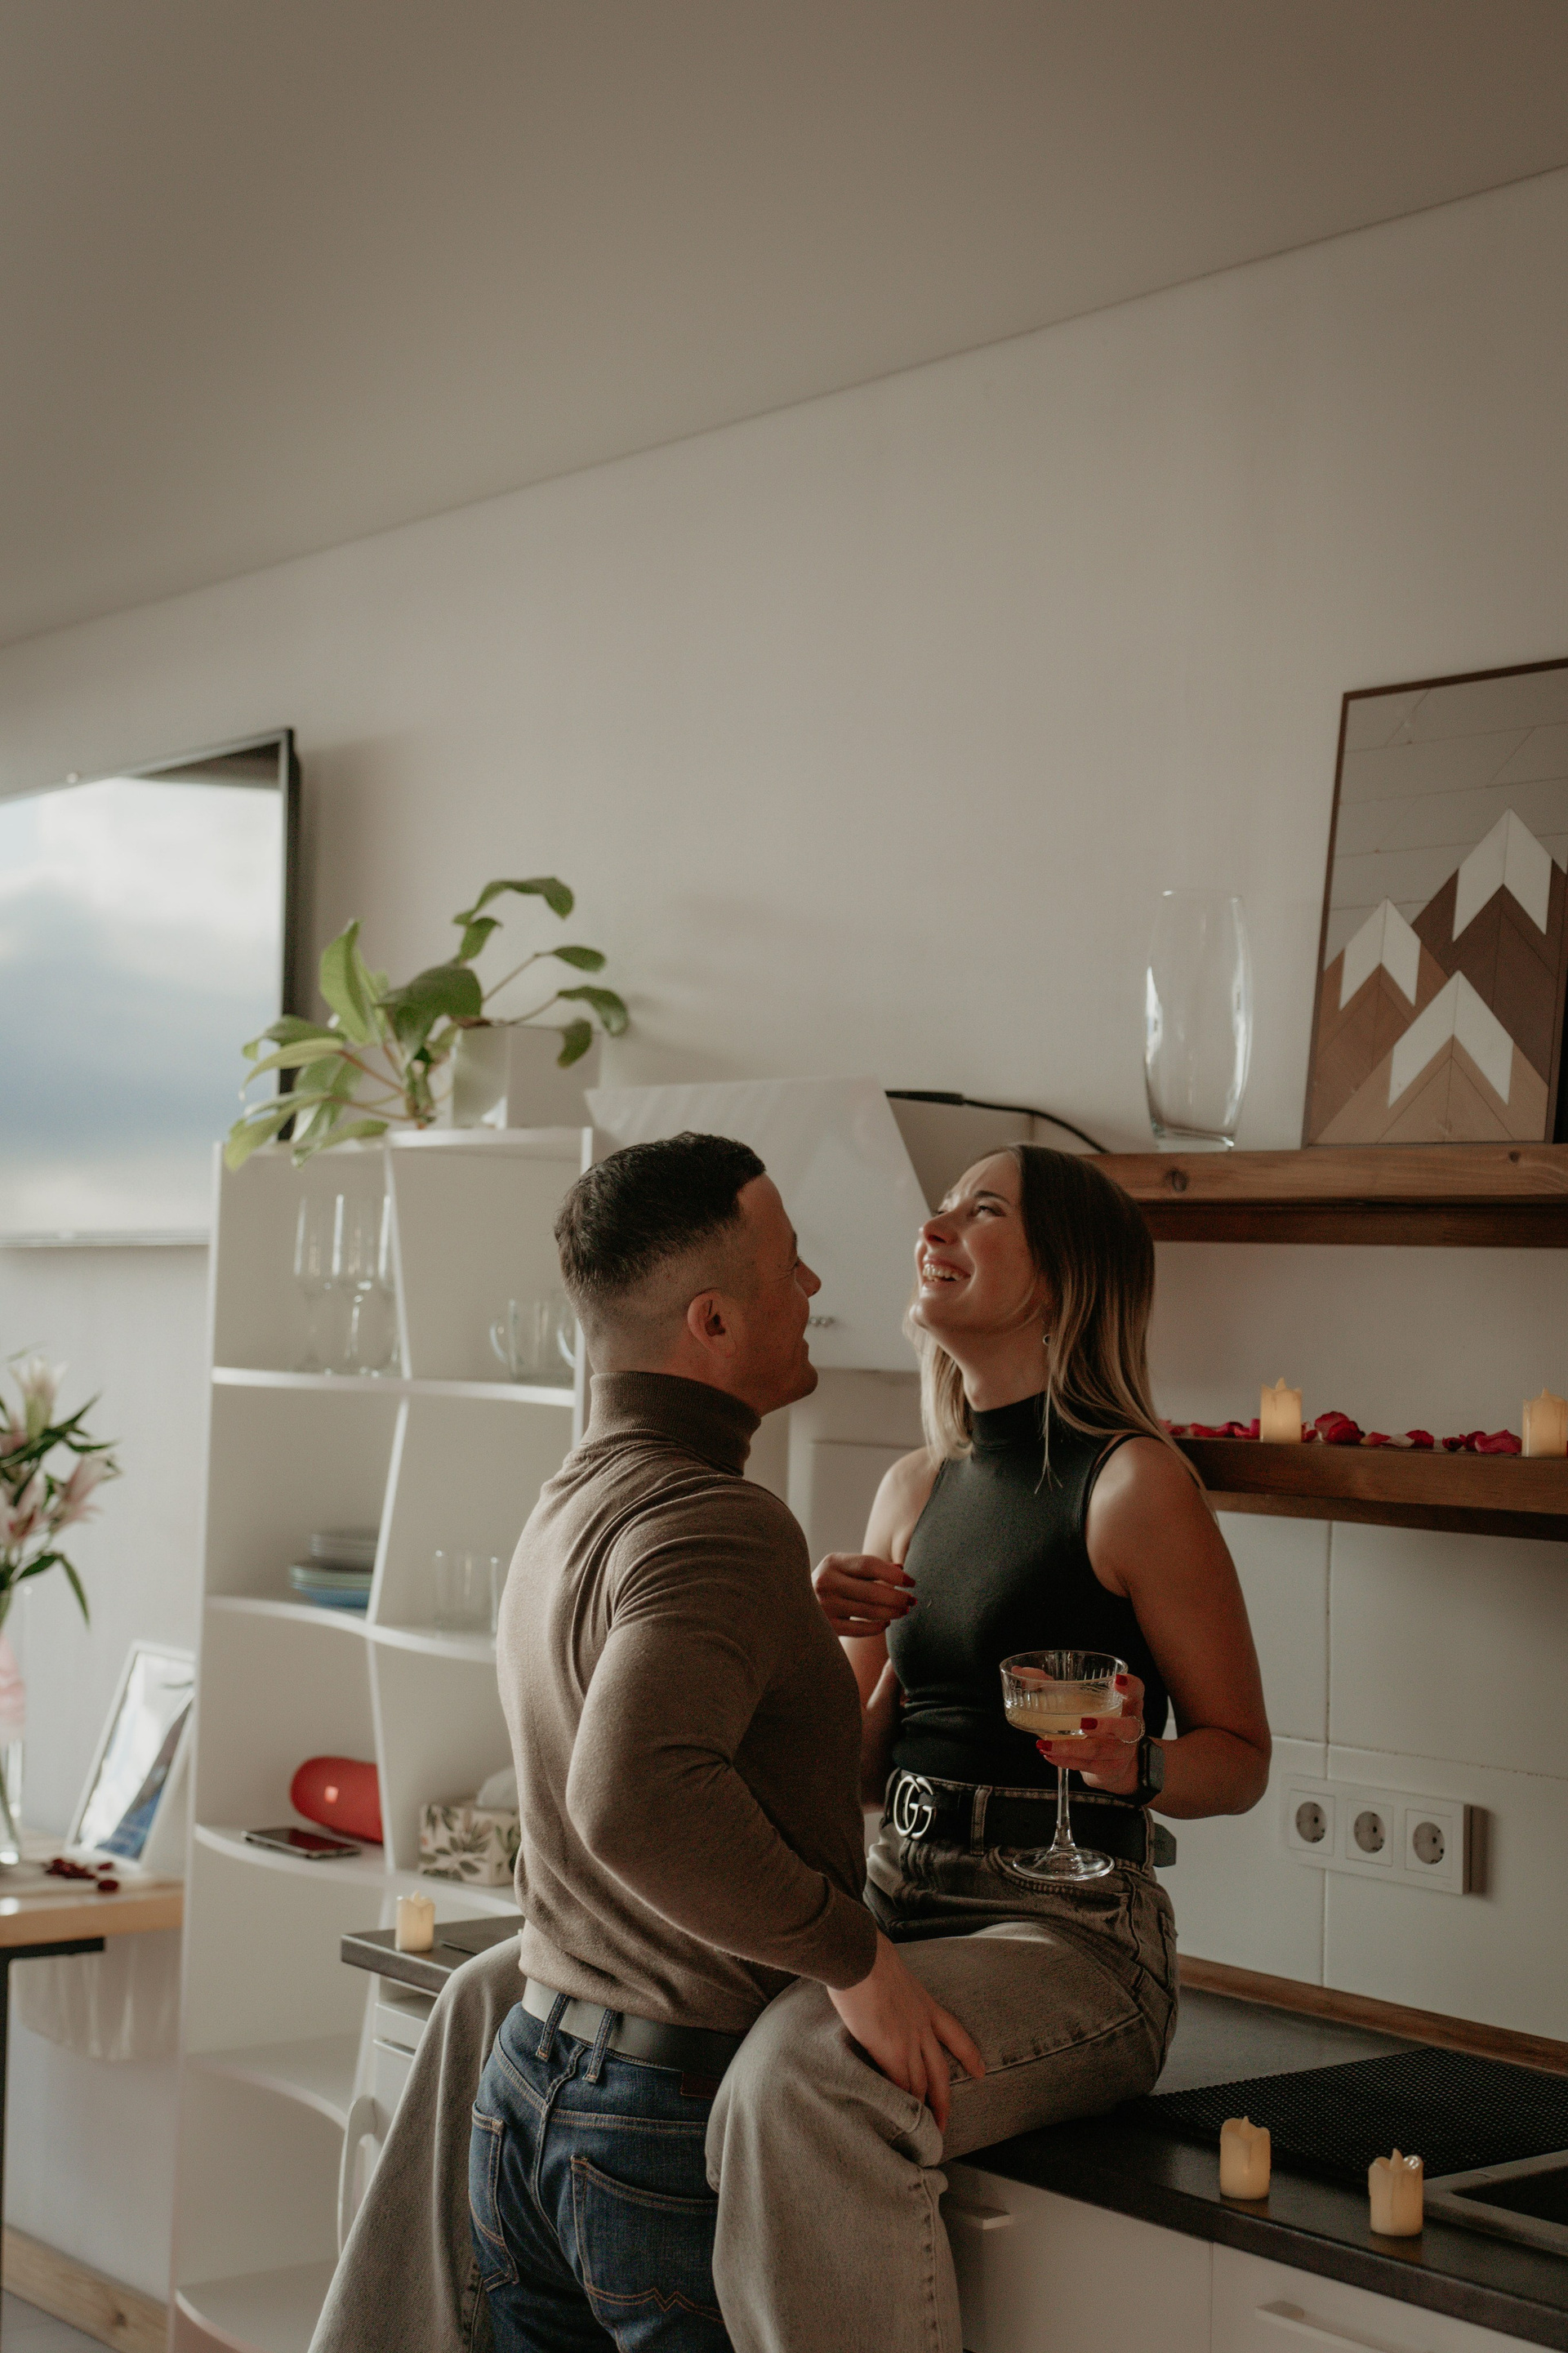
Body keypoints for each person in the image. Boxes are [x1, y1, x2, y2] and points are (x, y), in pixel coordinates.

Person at [703, 1144, 1271, 2352]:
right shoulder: (912, 1488)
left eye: (984, 1209)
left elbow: (1242, 1754)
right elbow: (848, 1772)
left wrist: (1140, 1764)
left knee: (802, 2078)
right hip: (893, 1899)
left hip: (1070, 1936)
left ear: (1062, 1275)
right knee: (652, 2008)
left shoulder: (1135, 1483)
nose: (937, 1225)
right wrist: (807, 1629)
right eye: (942, 1206)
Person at [470, 1131, 984, 2351]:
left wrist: (787, 1622)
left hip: (532, 2087)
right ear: (711, 1321)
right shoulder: (719, 1520)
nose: (812, 1288)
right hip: (661, 2118)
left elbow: (626, 1677)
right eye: (788, 1266)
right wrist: (858, 1960)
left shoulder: (571, 1498)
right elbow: (632, 1797)